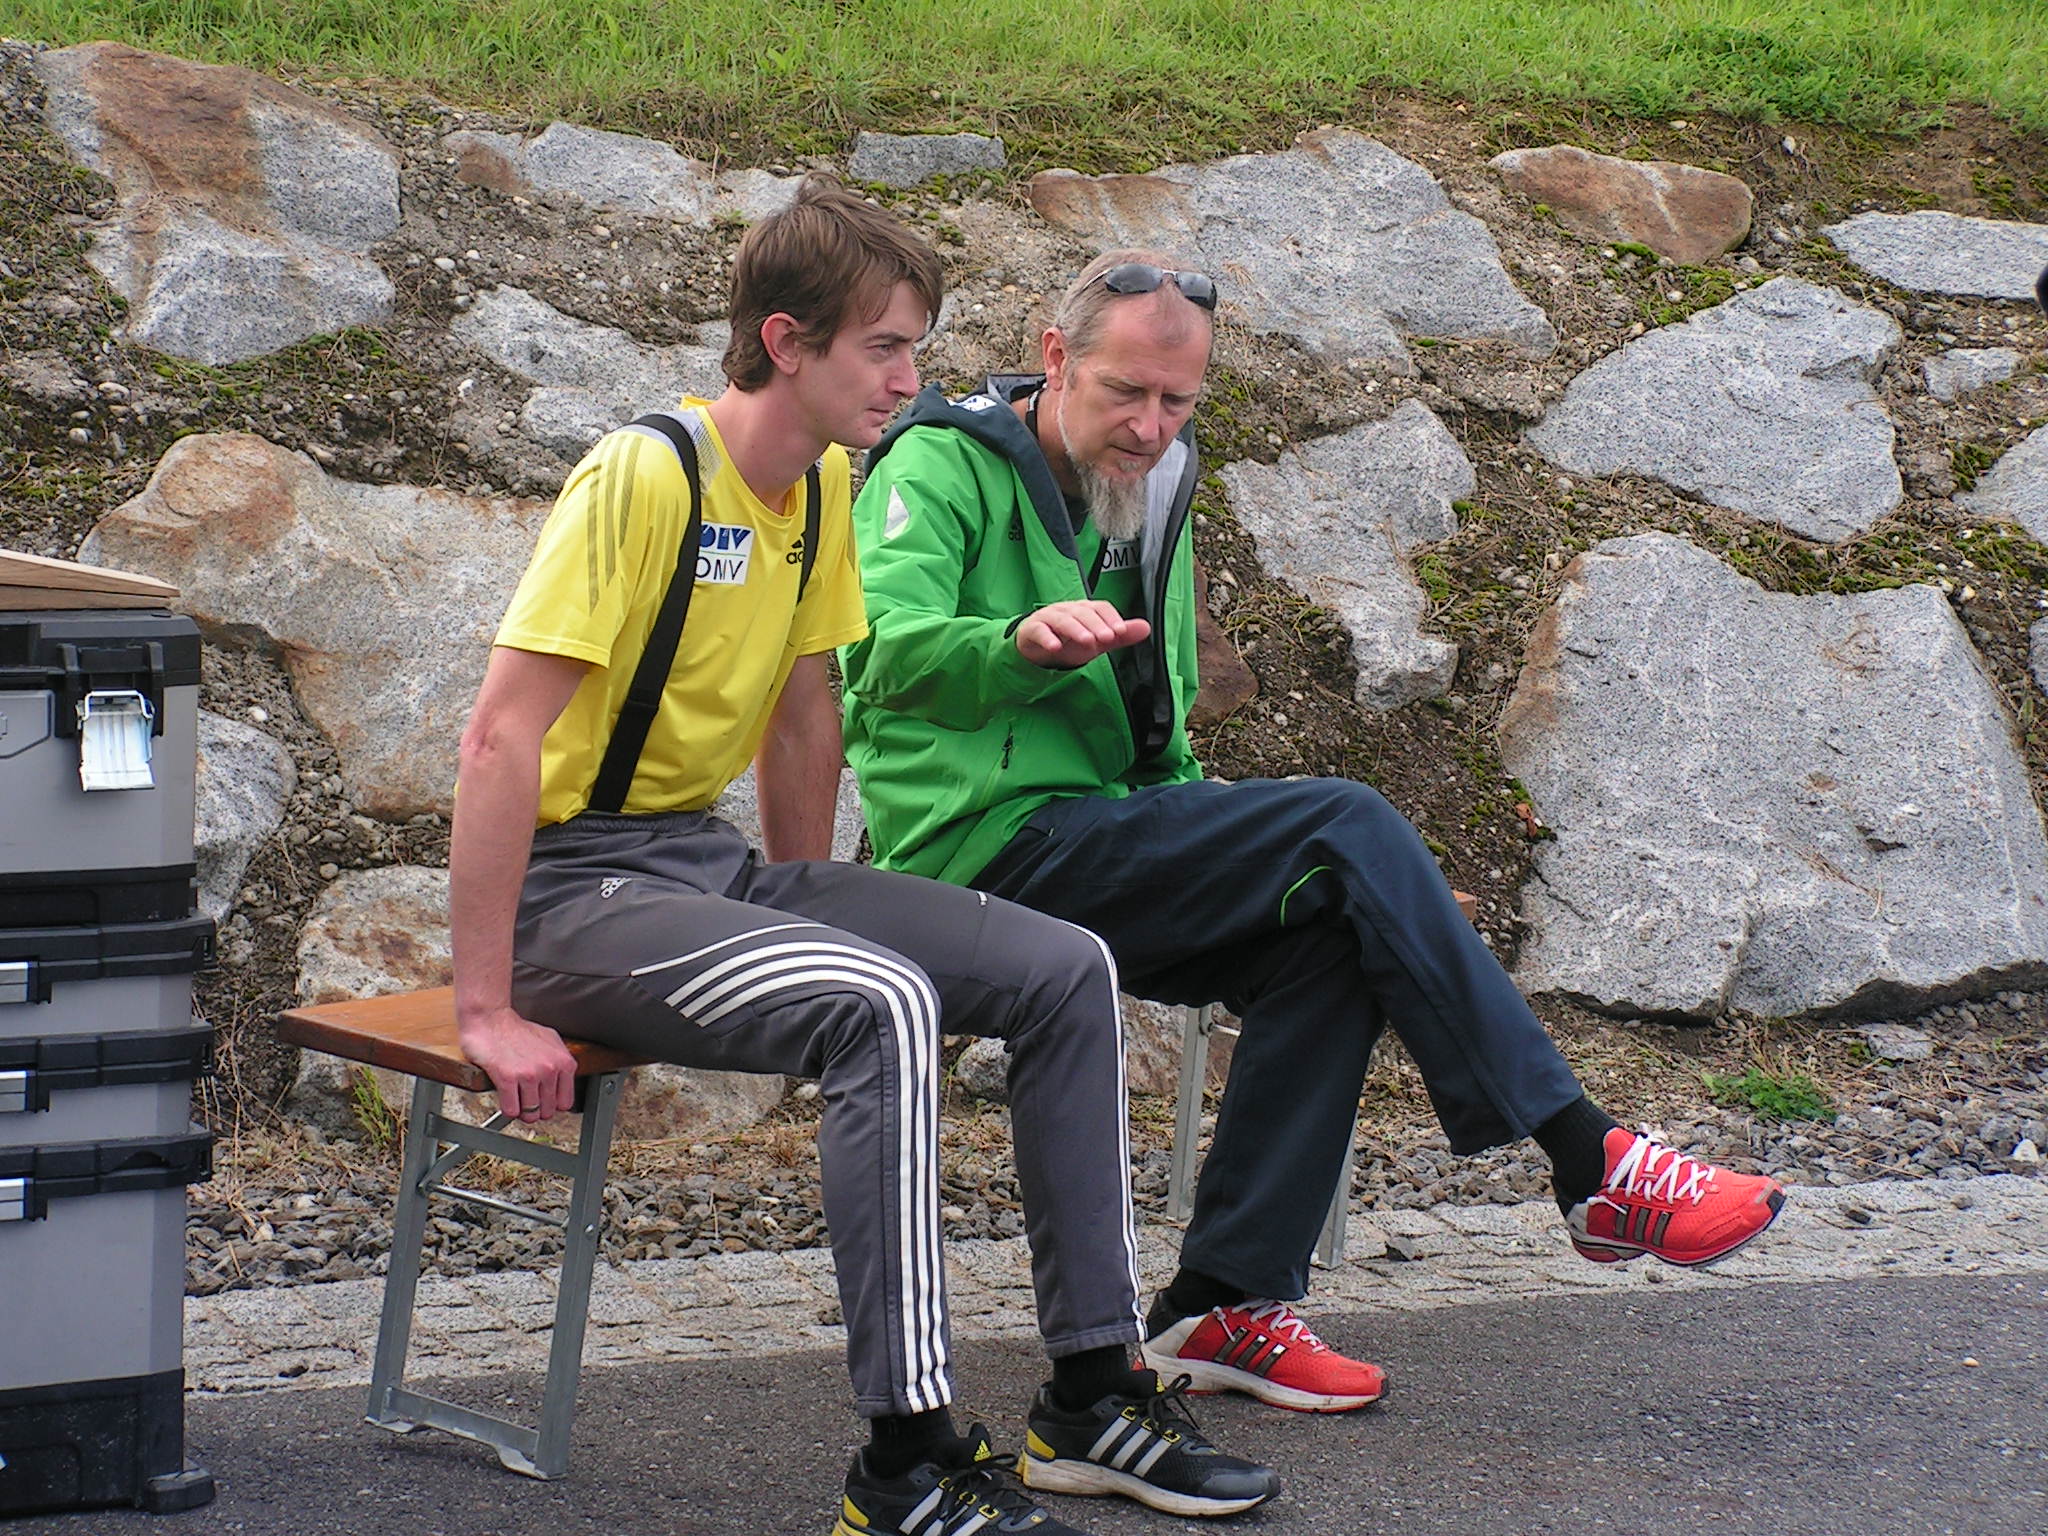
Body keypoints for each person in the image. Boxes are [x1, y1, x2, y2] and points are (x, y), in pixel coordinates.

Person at [449, 193, 1277, 1531]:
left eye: (915, 350)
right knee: (878, 1002)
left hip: (703, 870)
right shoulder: (646, 475)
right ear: (787, 341)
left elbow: (802, 712)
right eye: (884, 349)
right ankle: (906, 1463)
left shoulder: (819, 486)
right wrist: (486, 1006)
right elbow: (499, 740)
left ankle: (1094, 1390)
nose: (908, 380)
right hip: (572, 893)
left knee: (1066, 968)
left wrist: (805, 904)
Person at [840, 248, 1788, 1415]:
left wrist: (1195, 815)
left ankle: (1222, 1300)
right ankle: (1588, 1159)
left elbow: (1153, 713)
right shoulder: (938, 462)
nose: (1149, 426)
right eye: (1124, 392)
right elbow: (872, 657)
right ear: (1054, 357)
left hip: (1101, 834)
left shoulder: (1157, 478)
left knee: (1329, 934)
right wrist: (1012, 644)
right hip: (978, 853)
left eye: (1176, 401)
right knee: (1343, 822)